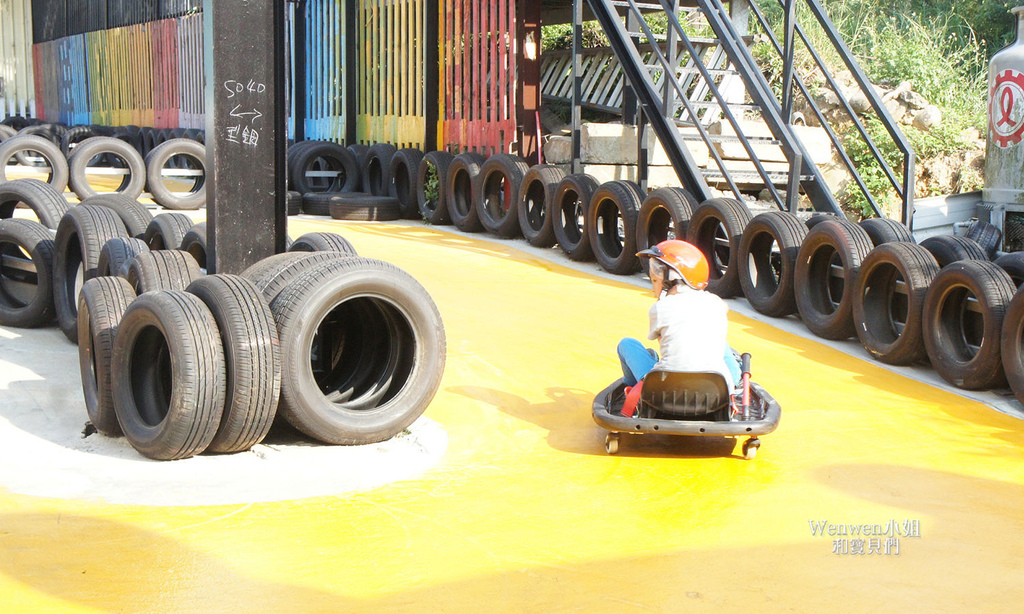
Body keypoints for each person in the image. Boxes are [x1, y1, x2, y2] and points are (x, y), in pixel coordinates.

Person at [617, 240, 741, 397]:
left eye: (655, 281)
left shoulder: (659, 308)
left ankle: (633, 387)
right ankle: (737, 370)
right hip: (715, 393)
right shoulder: (716, 303)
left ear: (671, 280)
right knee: (721, 344)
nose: (653, 288)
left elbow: (665, 344)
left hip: (664, 393)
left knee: (627, 344)